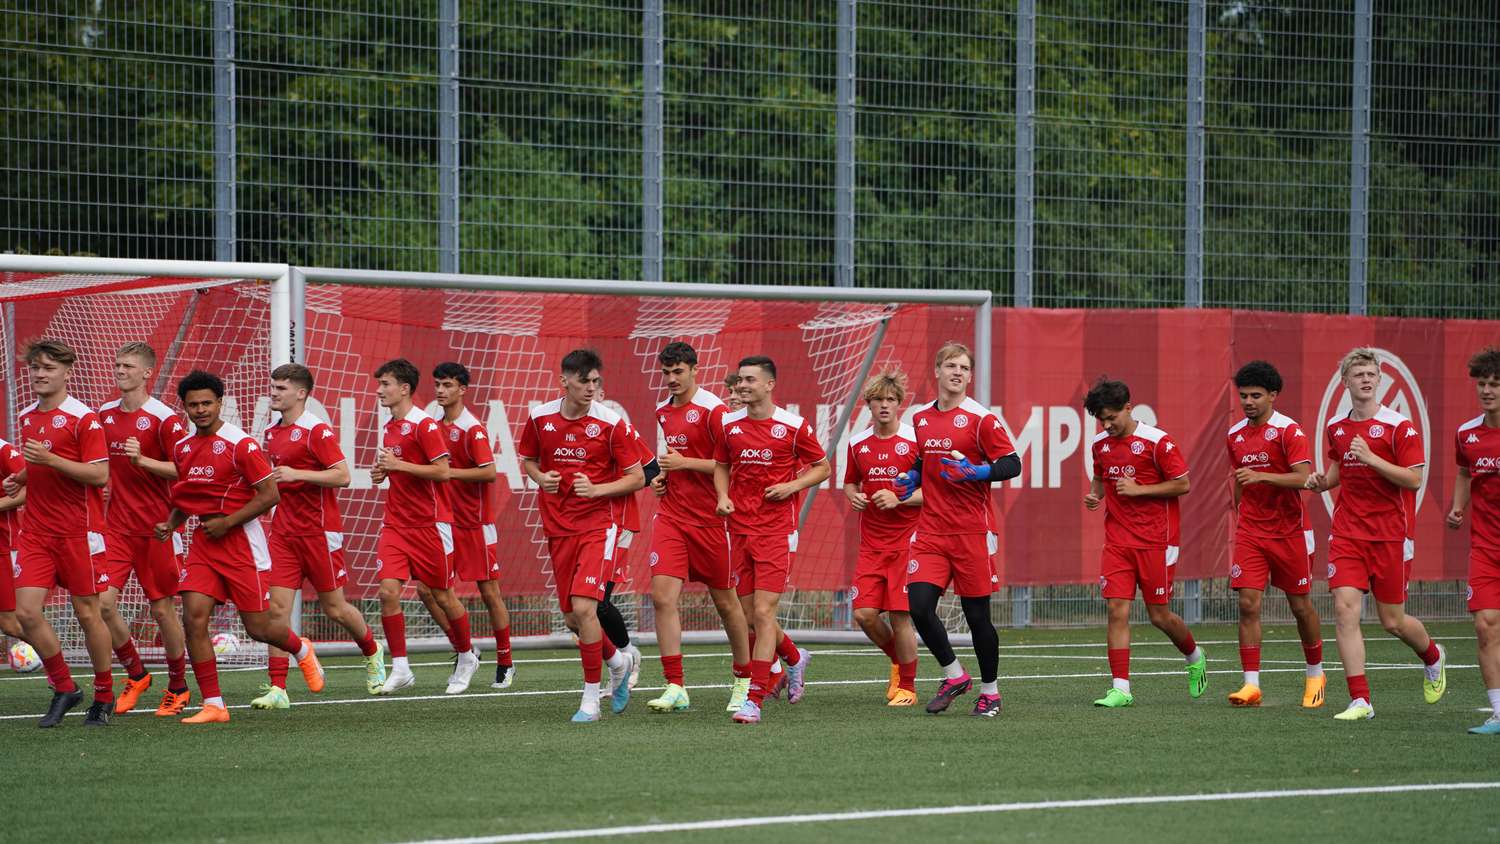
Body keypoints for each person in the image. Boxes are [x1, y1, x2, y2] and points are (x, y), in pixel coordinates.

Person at [157, 370, 324, 724]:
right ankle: (214, 704)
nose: (200, 410)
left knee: (258, 628)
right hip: (204, 544)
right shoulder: (183, 448)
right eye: (193, 405)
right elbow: (190, 496)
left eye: (207, 403)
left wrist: (229, 522)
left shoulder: (241, 444)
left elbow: (270, 494)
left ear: (220, 403)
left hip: (242, 546)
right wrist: (172, 522)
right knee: (193, 617)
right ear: (184, 407)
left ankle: (300, 647)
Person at [1306, 348, 1445, 721]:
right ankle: (1360, 700)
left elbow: (1414, 479)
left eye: (1370, 373)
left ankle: (1433, 655)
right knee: (1344, 610)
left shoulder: (1399, 426)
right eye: (1358, 374)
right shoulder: (1337, 427)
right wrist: (1322, 483)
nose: (1365, 379)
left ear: (1379, 379)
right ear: (1345, 382)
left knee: (1392, 622)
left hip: (1390, 536)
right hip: (1348, 533)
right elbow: (1339, 469)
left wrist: (1372, 458)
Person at [894, 343, 1019, 717]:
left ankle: (991, 693)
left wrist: (979, 472)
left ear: (970, 375)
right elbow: (922, 456)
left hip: (972, 533)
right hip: (931, 530)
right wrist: (912, 476)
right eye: (951, 365)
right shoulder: (921, 418)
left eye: (964, 367)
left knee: (977, 616)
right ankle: (954, 675)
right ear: (937, 370)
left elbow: (1012, 463)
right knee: (918, 606)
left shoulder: (982, 419)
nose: (958, 372)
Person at [518, 349, 642, 722]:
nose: (591, 388)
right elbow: (528, 460)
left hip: (597, 526)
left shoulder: (610, 423)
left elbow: (638, 477)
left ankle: (590, 698)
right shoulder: (540, 418)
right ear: (564, 381)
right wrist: (541, 478)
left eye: (595, 381)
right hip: (558, 526)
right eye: (584, 380)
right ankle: (619, 662)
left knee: (587, 608)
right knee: (573, 618)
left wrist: (598, 490)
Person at [253, 363, 385, 710]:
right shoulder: (271, 431)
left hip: (319, 531)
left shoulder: (317, 430)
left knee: (335, 608)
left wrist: (299, 473)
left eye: (282, 388)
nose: (275, 393)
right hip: (283, 532)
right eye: (274, 386)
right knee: (276, 612)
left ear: (301, 393)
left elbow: (342, 476)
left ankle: (373, 652)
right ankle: (278, 688)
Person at [6, 340, 117, 727]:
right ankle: (65, 686)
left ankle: (103, 696)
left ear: (67, 373)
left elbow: (99, 474)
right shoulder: (26, 416)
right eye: (35, 368)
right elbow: (41, 466)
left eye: (49, 368)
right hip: (37, 531)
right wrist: (20, 476)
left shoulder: (83, 419)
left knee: (89, 613)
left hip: (78, 532)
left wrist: (49, 459)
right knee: (26, 613)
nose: (39, 374)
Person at [714, 355, 829, 724]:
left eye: (750, 380)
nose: (743, 386)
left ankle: (755, 699)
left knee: (764, 613)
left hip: (777, 531)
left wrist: (792, 486)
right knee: (750, 617)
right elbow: (721, 465)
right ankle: (794, 658)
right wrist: (722, 497)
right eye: (740, 380)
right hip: (739, 530)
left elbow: (823, 467)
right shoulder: (729, 424)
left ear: (769, 385)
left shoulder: (793, 426)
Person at [1083, 377, 1207, 709]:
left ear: (1128, 407)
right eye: (1102, 420)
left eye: (1112, 417)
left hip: (1157, 541)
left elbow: (1182, 485)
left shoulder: (1158, 442)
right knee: (1115, 610)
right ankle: (1121, 688)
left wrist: (1141, 490)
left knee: (1159, 616)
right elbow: (1100, 476)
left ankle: (1194, 656)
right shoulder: (1100, 445)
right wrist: (1095, 495)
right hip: (1118, 541)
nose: (1107, 425)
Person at [644, 341, 752, 714]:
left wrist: (684, 463)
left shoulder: (714, 411)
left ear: (694, 370)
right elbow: (674, 464)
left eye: (678, 372)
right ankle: (675, 684)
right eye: (666, 373)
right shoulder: (663, 411)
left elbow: (731, 466)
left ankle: (743, 680)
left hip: (712, 521)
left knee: (727, 604)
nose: (672, 379)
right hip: (672, 516)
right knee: (662, 597)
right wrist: (662, 479)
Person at [370, 358, 478, 695]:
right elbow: (399, 468)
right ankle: (401, 667)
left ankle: (466, 656)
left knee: (444, 596)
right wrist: (384, 472)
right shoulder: (390, 426)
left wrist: (398, 465)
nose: (380, 390)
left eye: (385, 384)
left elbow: (443, 472)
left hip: (432, 525)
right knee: (388, 590)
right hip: (396, 523)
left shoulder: (425, 426)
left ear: (404, 388)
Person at [95, 343, 192, 716]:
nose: (120, 370)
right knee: (102, 604)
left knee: (163, 610)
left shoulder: (164, 418)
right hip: (116, 528)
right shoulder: (103, 414)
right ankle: (136, 673)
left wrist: (144, 460)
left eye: (128, 366)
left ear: (147, 372)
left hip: (158, 529)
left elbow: (185, 469)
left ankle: (179, 686)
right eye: (117, 364)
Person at [1224, 361, 1325, 708]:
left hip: (1290, 532)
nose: (1248, 401)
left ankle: (1316, 674)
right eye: (1243, 396)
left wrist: (1263, 477)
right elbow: (1240, 478)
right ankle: (1251, 684)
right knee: (1248, 604)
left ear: (1273, 396)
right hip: (1252, 531)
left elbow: (1304, 478)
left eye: (1256, 395)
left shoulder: (1289, 431)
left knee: (1300, 607)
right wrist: (1239, 505)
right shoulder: (1235, 435)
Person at [432, 361, 514, 690]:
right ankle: (466, 649)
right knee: (427, 590)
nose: (441, 390)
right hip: (444, 524)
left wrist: (449, 473)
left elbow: (489, 471)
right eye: (438, 384)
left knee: (489, 592)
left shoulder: (472, 428)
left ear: (462, 390)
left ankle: (506, 661)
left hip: (475, 524)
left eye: (448, 385)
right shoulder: (434, 426)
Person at [844, 368, 922, 707]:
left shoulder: (915, 441)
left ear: (899, 404)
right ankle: (897, 658)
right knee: (864, 614)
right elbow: (849, 482)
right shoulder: (857, 443)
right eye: (878, 400)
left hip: (908, 542)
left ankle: (907, 686)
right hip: (871, 544)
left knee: (901, 616)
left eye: (890, 400)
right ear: (870, 405)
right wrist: (853, 496)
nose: (884, 406)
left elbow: (935, 491)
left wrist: (899, 497)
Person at [1448, 346, 1500, 735]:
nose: (1488, 390)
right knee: (1485, 626)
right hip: (1485, 547)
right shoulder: (1467, 434)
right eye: (1483, 384)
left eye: (1495, 384)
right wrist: (1457, 507)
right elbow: (1465, 473)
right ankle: (1498, 713)